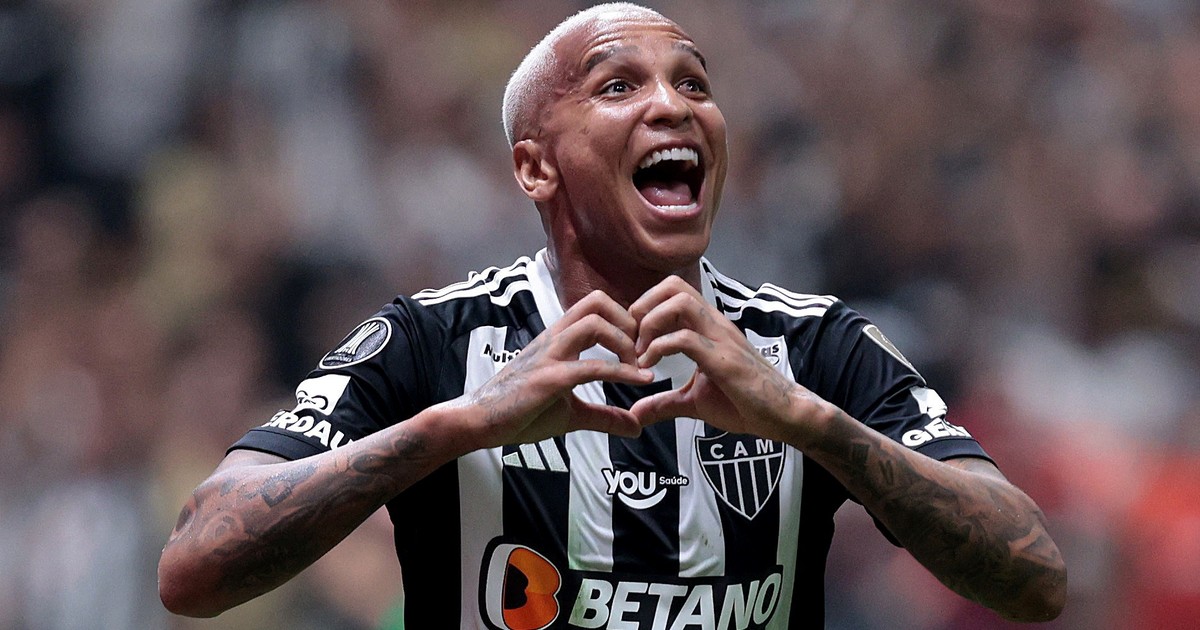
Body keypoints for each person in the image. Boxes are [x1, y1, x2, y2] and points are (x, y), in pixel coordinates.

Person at [158, 4, 1066, 627]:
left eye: (695, 84)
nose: (673, 104)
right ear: (535, 167)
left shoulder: (814, 346)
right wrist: (456, 427)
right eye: (618, 86)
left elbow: (1036, 580)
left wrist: (809, 422)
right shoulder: (434, 342)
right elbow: (195, 565)